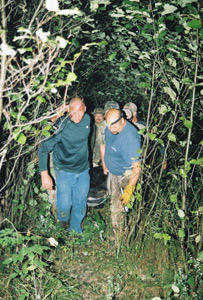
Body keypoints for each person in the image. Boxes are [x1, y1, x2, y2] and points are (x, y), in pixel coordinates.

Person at [38, 97, 90, 233]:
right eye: (73, 112)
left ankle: (75, 230)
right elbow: (43, 149)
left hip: (83, 169)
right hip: (64, 169)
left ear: (85, 108)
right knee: (64, 204)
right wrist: (44, 174)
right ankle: (63, 221)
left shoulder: (88, 120)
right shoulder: (61, 125)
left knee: (80, 201)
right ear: (68, 111)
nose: (77, 116)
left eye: (80, 111)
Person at [100, 109, 141, 244]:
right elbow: (105, 145)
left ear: (122, 120)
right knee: (115, 205)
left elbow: (137, 167)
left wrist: (130, 188)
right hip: (113, 173)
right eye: (109, 125)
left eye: (114, 126)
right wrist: (105, 164)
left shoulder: (131, 137)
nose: (111, 129)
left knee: (128, 206)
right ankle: (118, 236)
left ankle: (130, 238)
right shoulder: (109, 127)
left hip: (126, 175)